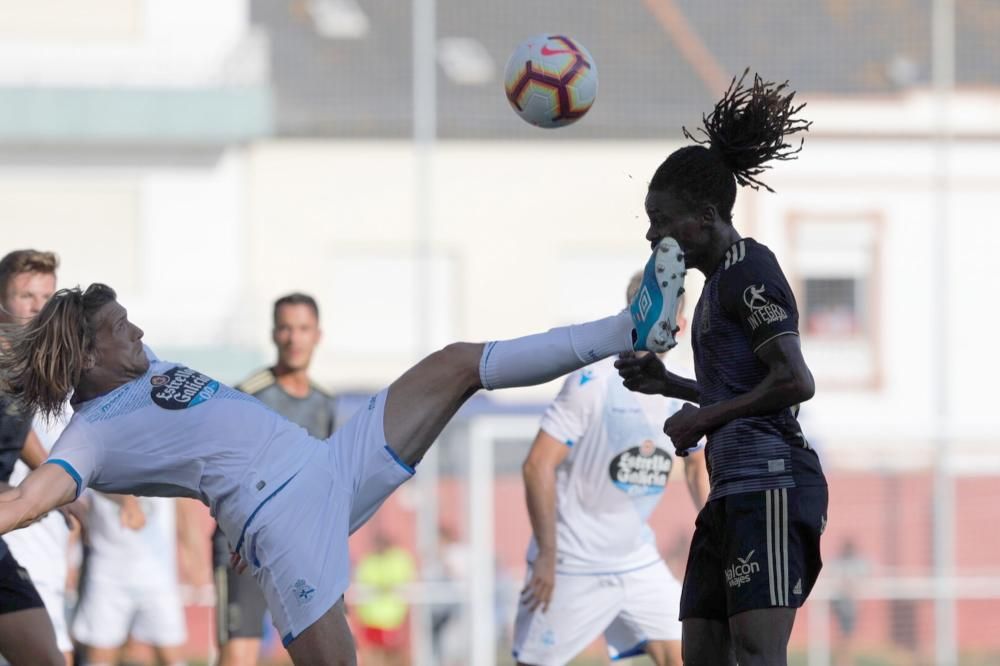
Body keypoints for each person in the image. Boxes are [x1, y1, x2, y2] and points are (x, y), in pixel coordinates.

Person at [0, 245, 683, 665]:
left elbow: (190, 451)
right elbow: (28, 500)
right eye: (122, 327)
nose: (140, 329)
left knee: (454, 363)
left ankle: (632, 326)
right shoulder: (87, 435)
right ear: (90, 355)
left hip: (329, 462)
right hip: (282, 525)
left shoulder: (145, 367)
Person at [615, 71, 828, 666]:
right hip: (729, 493)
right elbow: (739, 387)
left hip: (772, 485)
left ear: (704, 216)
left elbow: (794, 382)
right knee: (703, 655)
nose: (653, 233)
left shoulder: (749, 270)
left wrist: (704, 416)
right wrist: (668, 384)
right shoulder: (712, 288)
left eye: (661, 218)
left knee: (757, 654)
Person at [513, 272, 709, 666]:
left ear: (681, 325)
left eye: (668, 316)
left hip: (635, 558)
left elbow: (695, 468)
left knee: (687, 655)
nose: (662, 325)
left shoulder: (681, 395)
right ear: (632, 314)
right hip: (571, 561)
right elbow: (536, 467)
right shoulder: (593, 382)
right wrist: (548, 555)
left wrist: (718, 537)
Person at [212, 292, 337, 666]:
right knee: (240, 655)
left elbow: (325, 481)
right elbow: (220, 472)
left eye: (302, 329)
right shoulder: (248, 395)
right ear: (273, 334)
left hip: (300, 550)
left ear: (318, 335)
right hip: (244, 549)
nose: (293, 338)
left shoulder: (325, 402)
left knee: (325, 651)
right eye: (285, 328)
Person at [0, 250, 75, 666]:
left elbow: (15, 427)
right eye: (24, 295)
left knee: (47, 658)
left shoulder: (27, 363)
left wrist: (55, 477)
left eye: (46, 298)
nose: (36, 308)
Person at [71, 494, 199, 666]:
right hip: (107, 575)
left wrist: (193, 558)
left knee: (172, 655)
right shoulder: (94, 466)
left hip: (158, 576)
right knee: (100, 655)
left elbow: (183, 506)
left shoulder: (164, 467)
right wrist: (70, 559)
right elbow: (77, 508)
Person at [353, 530, 416, 666]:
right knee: (373, 653)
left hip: (392, 618)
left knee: (394, 654)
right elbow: (364, 581)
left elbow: (402, 581)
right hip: (371, 618)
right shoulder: (369, 560)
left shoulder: (399, 558)